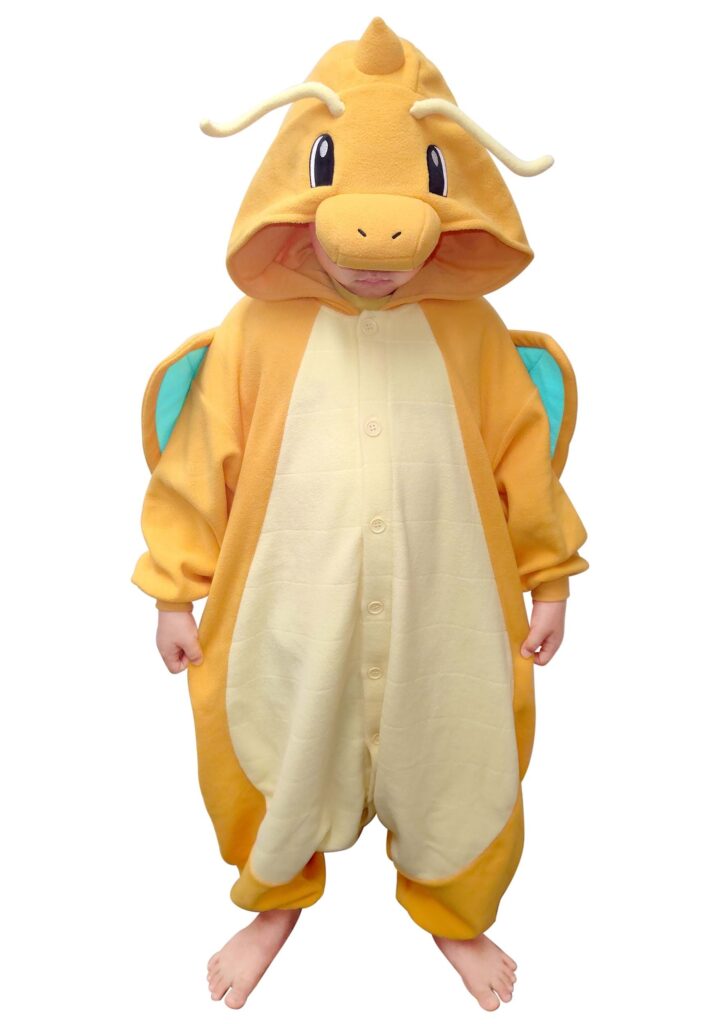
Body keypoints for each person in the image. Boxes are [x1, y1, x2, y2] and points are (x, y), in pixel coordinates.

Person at [132, 17, 589, 1012]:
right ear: (300, 207)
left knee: (458, 741)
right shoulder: (255, 331)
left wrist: (549, 576)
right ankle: (274, 898)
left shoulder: (473, 330)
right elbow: (196, 464)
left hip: (448, 605)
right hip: (289, 603)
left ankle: (455, 908)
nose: (375, 251)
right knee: (280, 729)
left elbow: (522, 456)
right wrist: (172, 590)